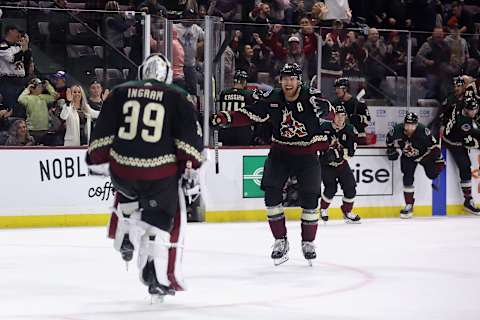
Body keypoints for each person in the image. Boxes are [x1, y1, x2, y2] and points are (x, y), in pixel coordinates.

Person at [87, 53, 204, 298]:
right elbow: (188, 144)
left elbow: (103, 133)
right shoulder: (177, 97)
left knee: (128, 194)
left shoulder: (120, 91)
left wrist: (96, 159)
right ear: (168, 75)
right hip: (159, 173)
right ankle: (153, 272)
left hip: (123, 169)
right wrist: (191, 165)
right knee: (160, 221)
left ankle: (127, 230)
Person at [211, 63, 333, 265]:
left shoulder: (310, 98)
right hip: (280, 152)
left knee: (311, 199)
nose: (288, 82)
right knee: (271, 194)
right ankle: (280, 240)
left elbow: (331, 115)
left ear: (299, 81)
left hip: (307, 154)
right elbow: (249, 114)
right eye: (285, 78)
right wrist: (225, 118)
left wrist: (329, 112)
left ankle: (308, 242)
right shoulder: (273, 99)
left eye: (292, 78)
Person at [386, 112, 445, 218]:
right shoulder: (396, 130)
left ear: (416, 124)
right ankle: (409, 205)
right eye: (407, 124)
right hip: (408, 157)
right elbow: (389, 139)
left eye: (412, 125)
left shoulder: (424, 131)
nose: (410, 127)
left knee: (432, 174)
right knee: (407, 178)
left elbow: (435, 146)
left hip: (424, 156)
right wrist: (391, 149)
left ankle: (433, 173)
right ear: (404, 124)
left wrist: (439, 159)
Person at [319, 104, 360, 223]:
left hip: (342, 164)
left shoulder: (350, 130)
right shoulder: (323, 127)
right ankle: (323, 209)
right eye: (337, 115)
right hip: (326, 165)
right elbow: (315, 144)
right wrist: (326, 153)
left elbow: (351, 152)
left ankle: (347, 212)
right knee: (331, 188)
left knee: (351, 187)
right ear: (333, 116)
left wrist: (340, 154)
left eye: (342, 116)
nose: (340, 118)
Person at [442, 96, 480, 215]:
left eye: (476, 109)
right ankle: (468, 201)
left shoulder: (458, 104)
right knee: (465, 167)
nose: (474, 112)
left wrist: (444, 122)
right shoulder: (464, 123)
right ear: (466, 110)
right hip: (454, 143)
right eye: (472, 110)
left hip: (452, 134)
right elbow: (472, 139)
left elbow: (448, 110)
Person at [215, 70, 258, 146]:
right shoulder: (248, 94)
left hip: (226, 129)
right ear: (244, 82)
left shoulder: (224, 93)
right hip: (243, 130)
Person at [17, 78, 57, 145]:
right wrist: (27, 89)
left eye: (41, 86)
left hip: (44, 129)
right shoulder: (28, 98)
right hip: (32, 130)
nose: (41, 88)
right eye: (39, 86)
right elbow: (20, 99)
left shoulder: (44, 97)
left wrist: (48, 86)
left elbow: (54, 96)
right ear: (32, 88)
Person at [332, 78, 371, 144]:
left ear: (345, 89)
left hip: (358, 139)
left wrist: (359, 118)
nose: (336, 91)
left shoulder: (359, 104)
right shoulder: (334, 103)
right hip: (341, 139)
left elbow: (368, 120)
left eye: (338, 88)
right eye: (336, 88)